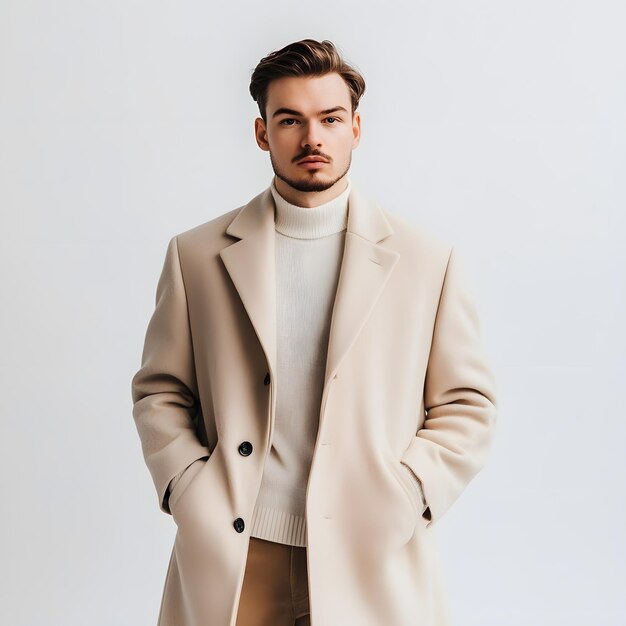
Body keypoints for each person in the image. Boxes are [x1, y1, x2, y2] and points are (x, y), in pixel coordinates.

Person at [131, 38, 497, 626]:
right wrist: (187, 488)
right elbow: (161, 390)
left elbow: (466, 403)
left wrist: (407, 495)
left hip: (369, 550)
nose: (312, 139)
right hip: (240, 550)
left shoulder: (428, 260)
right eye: (289, 120)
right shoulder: (195, 256)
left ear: (356, 127)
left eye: (329, 119)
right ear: (261, 133)